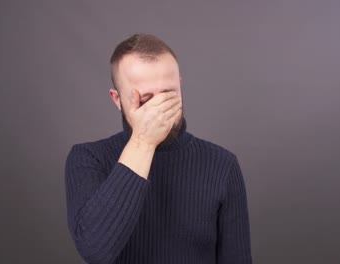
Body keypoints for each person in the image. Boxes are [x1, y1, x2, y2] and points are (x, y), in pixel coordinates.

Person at [64, 34, 253, 264]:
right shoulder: (89, 159)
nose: (159, 110)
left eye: (168, 94)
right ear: (117, 99)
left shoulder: (222, 164)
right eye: (146, 99)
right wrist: (143, 142)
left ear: (180, 85)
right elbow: (95, 250)